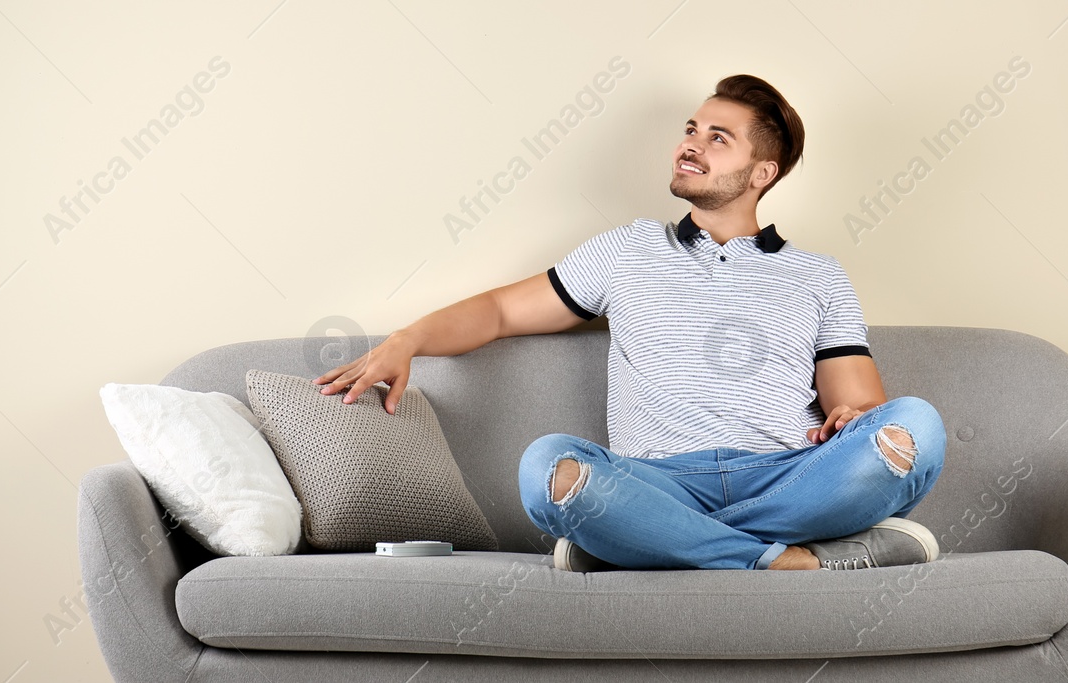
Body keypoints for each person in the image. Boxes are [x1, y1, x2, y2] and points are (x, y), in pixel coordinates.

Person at [312, 74, 945, 571]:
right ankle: (781, 559)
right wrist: (408, 339)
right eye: (691, 128)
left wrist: (859, 417)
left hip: (782, 475)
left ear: (762, 174)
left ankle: (648, 546)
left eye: (717, 137)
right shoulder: (627, 251)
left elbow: (859, 404)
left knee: (919, 426)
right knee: (547, 467)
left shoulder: (818, 275)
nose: (689, 144)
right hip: (659, 480)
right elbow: (502, 310)